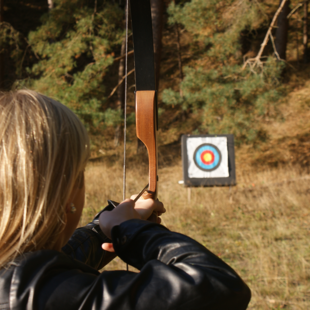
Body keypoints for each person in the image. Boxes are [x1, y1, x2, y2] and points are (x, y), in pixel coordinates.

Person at [0, 90, 251, 310]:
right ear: (64, 192)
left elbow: (45, 261)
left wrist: (105, 229)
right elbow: (219, 287)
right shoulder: (35, 294)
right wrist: (133, 231)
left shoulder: (17, 277)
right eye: (80, 172)